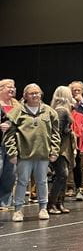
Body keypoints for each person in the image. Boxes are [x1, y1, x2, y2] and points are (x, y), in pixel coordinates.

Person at [4, 84, 60, 222]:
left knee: (42, 181)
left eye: (37, 93)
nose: (35, 95)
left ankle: (43, 208)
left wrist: (54, 150)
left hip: (43, 154)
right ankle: (18, 210)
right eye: (31, 93)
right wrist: (12, 153)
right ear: (25, 96)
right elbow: (9, 135)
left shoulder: (49, 111)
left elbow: (55, 133)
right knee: (22, 182)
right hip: (24, 155)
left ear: (41, 94)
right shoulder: (17, 112)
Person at [48, 86, 76, 214]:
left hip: (63, 146)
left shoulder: (61, 110)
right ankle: (52, 204)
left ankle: (60, 203)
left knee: (63, 175)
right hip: (60, 147)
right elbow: (58, 131)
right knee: (62, 174)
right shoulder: (61, 111)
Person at [0, 78, 20, 212]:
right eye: (9, 87)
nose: (12, 89)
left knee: (10, 174)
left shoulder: (18, 106)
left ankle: (5, 202)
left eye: (13, 87)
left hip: (13, 144)